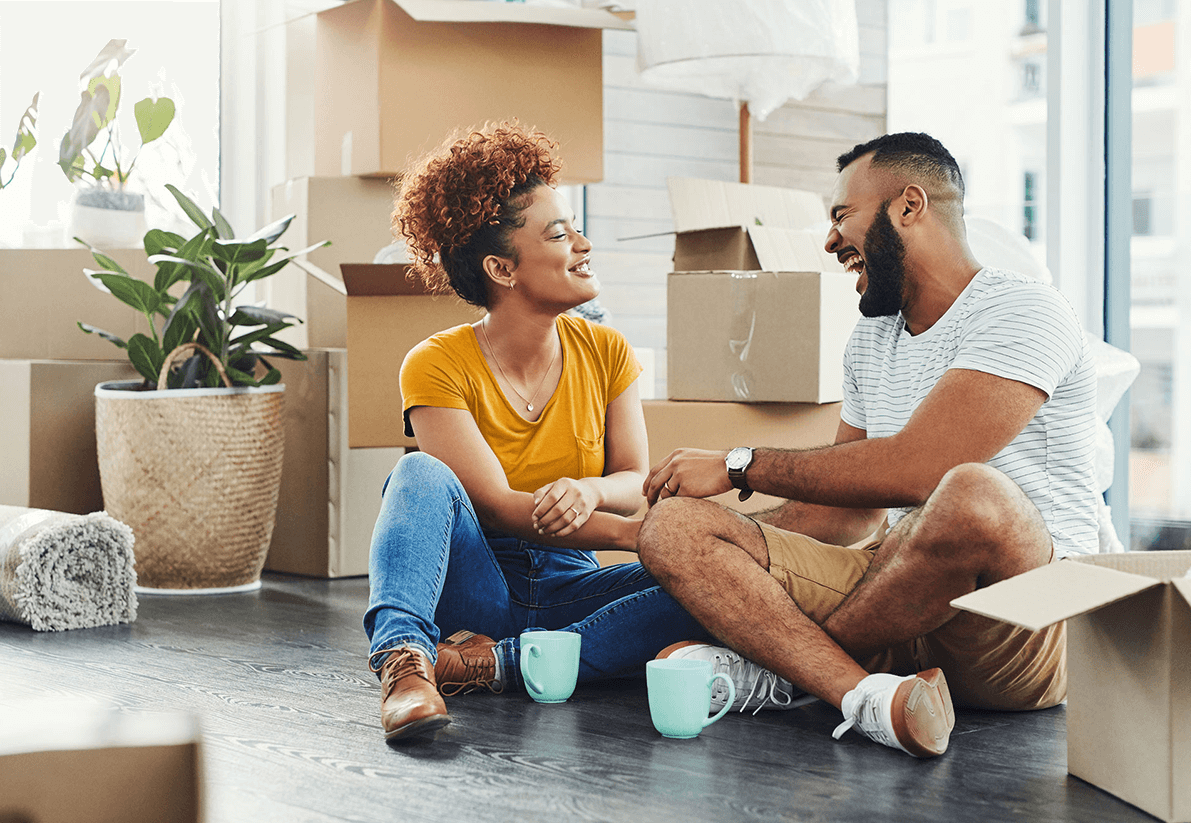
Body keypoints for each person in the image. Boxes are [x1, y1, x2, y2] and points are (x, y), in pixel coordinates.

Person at [636, 132, 1097, 758]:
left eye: (840, 216)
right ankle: (867, 696)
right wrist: (715, 540)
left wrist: (738, 465)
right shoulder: (871, 340)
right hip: (897, 599)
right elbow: (842, 515)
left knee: (972, 494)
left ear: (909, 206)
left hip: (1027, 618)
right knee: (674, 529)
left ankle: (790, 676)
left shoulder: (1023, 310)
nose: (830, 241)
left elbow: (919, 472)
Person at [363, 122, 754, 742]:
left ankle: (490, 665)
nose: (583, 243)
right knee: (415, 473)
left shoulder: (607, 351)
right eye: (559, 232)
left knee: (719, 580)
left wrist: (596, 493)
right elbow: (496, 508)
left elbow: (634, 480)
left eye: (575, 226)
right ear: (501, 267)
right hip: (479, 584)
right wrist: (640, 535)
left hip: (575, 581)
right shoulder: (434, 362)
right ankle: (406, 663)